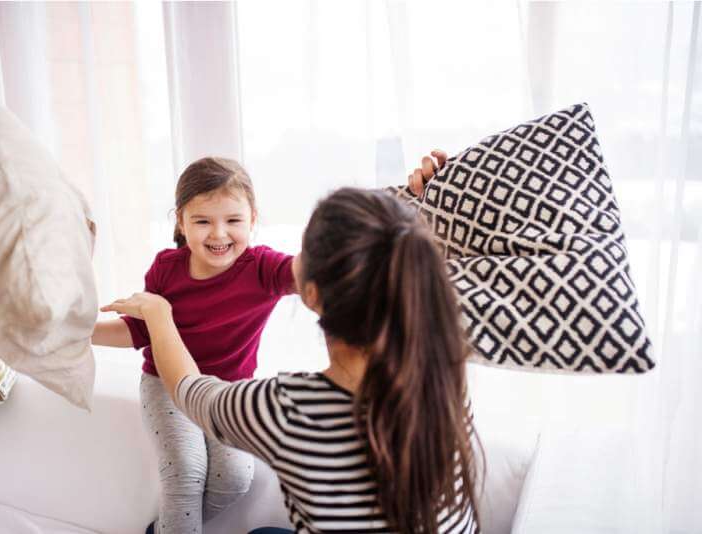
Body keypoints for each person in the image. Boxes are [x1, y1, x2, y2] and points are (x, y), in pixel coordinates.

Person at [102, 185, 483, 533]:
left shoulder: (289, 407)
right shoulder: (445, 374)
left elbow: (189, 390)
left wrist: (158, 315)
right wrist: (440, 192)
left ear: (311, 294)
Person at [91, 157, 297, 533]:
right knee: (185, 470)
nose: (219, 234)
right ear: (181, 222)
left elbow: (315, 273)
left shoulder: (264, 268)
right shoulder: (167, 269)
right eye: (203, 221)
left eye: (233, 221)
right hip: (166, 386)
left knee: (234, 477)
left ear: (253, 219)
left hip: (227, 391)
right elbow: (138, 332)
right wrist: (81, 330)